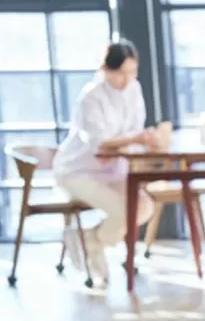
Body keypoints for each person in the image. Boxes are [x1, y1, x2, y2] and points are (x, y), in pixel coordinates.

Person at [55, 40, 157, 283]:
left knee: (144, 207)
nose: (127, 79)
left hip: (113, 170)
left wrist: (145, 138)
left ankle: (88, 240)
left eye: (132, 72)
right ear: (105, 69)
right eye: (121, 73)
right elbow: (99, 144)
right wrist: (136, 138)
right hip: (77, 171)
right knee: (124, 212)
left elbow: (134, 130)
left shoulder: (133, 89)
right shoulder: (91, 96)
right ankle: (92, 244)